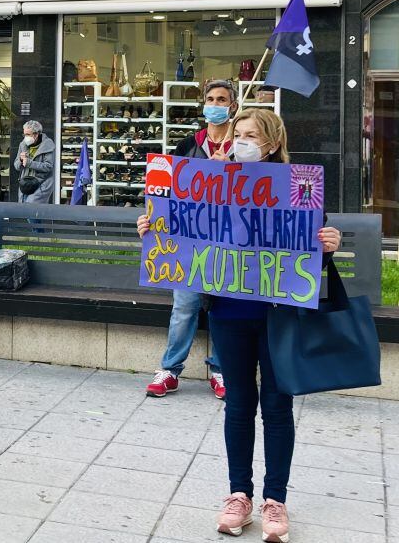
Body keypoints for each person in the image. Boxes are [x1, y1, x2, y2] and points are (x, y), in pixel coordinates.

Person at [137, 108, 340, 543]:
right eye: (237, 134)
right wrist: (152, 228)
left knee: (278, 407)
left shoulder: (297, 187)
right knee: (238, 406)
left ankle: (275, 500)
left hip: (279, 315)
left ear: (270, 142)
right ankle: (238, 494)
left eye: (249, 135)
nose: (240, 141)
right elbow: (184, 231)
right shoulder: (215, 184)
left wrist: (328, 245)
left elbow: (309, 246)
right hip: (229, 313)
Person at [147, 79, 237, 399]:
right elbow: (167, 192)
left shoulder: (243, 147)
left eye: (222, 99)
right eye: (210, 99)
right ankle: (170, 370)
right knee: (184, 305)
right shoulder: (188, 145)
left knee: (223, 307)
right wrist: (153, 220)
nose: (215, 104)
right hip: (189, 241)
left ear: (233, 106)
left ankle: (222, 370)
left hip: (229, 243)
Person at [14, 120, 55, 203]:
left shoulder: (48, 145)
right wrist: (21, 161)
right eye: (24, 134)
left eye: (28, 134)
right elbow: (16, 165)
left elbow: (48, 166)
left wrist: (29, 163)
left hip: (41, 183)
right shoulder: (23, 144)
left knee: (33, 209)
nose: (25, 137)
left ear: (36, 134)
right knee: (23, 208)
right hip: (25, 183)